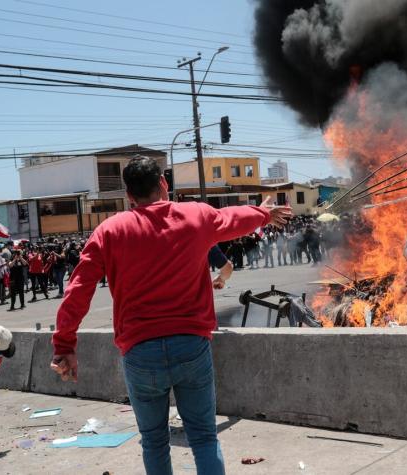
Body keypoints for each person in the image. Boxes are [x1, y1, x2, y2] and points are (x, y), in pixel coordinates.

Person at [50, 157, 291, 475]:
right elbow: (231, 219)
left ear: (129, 195)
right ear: (163, 183)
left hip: (139, 352)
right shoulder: (195, 215)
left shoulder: (109, 231)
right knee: (204, 438)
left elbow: (78, 290)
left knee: (154, 442)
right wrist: (263, 213)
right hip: (191, 346)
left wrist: (65, 344)